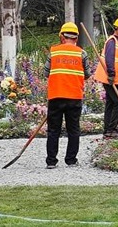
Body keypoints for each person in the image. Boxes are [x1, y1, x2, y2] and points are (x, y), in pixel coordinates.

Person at [45, 22, 92, 169]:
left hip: (55, 96)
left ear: (61, 36)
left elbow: (46, 73)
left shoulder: (53, 52)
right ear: (76, 37)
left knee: (53, 130)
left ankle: (51, 161)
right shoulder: (82, 53)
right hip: (74, 96)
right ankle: (71, 160)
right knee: (73, 130)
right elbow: (87, 74)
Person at [93, 16, 118, 138]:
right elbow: (110, 59)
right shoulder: (112, 42)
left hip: (111, 78)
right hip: (110, 78)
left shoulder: (116, 42)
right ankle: (111, 129)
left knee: (111, 103)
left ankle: (107, 130)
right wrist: (111, 74)